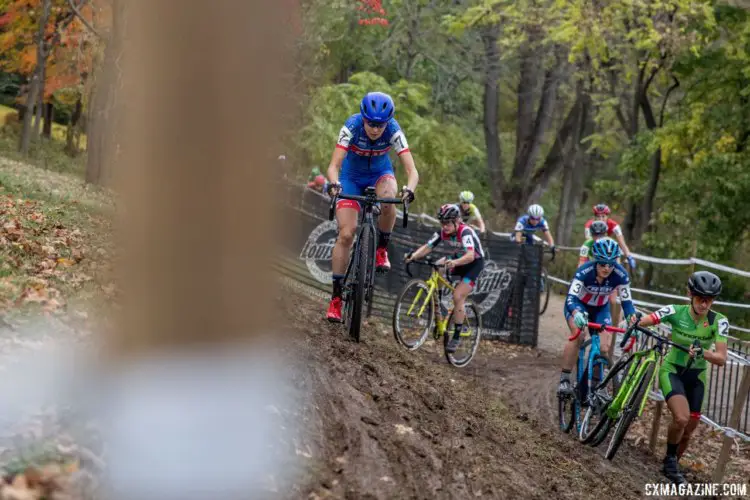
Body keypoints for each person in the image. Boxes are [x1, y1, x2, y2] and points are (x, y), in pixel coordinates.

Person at [325, 91, 419, 322]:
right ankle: (336, 299)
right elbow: (333, 166)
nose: (375, 129)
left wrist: (410, 189)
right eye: (371, 123)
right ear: (363, 118)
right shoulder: (352, 126)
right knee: (346, 234)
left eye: (380, 125)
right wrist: (335, 184)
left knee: (389, 198)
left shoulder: (393, 129)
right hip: (351, 177)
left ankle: (380, 249)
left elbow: (412, 170)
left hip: (380, 174)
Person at [629, 271, 728, 484]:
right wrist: (636, 320)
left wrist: (704, 353)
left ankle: (670, 461)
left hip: (697, 375)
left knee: (689, 429)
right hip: (672, 370)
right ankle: (671, 463)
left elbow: (721, 358)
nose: (704, 304)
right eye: (700, 298)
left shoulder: (718, 321)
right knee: (681, 418)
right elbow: (650, 319)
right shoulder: (676, 311)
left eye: (709, 300)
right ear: (690, 295)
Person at [558, 239, 638, 397]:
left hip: (601, 309)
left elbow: (627, 303)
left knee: (604, 346)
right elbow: (570, 298)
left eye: (610, 264)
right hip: (579, 305)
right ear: (596, 261)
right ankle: (565, 379)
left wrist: (632, 319)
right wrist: (576, 313)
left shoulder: (621, 274)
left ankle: (595, 386)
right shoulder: (584, 271)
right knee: (579, 334)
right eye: (602, 264)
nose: (607, 268)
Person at [405, 204, 485, 353]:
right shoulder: (443, 232)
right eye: (442, 223)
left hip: (474, 262)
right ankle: (439, 302)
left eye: (448, 223)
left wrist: (454, 262)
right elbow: (428, 246)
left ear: (457, 221)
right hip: (459, 258)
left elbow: (470, 255)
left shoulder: (465, 232)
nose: (445, 226)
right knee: (438, 265)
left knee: (457, 296)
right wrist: (413, 256)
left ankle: (456, 335)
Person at [584, 204, 636, 270]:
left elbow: (622, 243)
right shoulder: (589, 225)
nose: (601, 219)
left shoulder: (614, 225)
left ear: (607, 216)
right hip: (593, 247)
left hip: (606, 246)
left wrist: (629, 256)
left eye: (603, 216)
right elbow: (589, 241)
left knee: (616, 250)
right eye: (598, 216)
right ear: (595, 217)